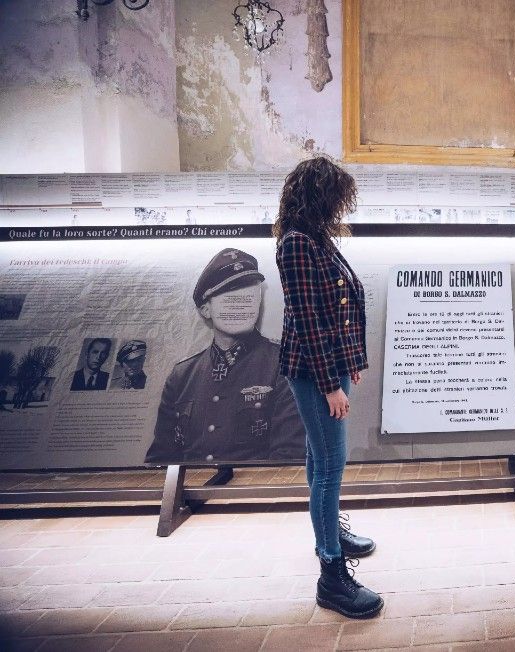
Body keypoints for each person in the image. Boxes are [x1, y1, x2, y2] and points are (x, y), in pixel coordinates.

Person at [274, 157, 381, 619]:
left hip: (330, 366)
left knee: (320, 458)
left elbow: (339, 306)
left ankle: (329, 531)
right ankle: (331, 576)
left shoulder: (315, 238)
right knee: (330, 463)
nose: (341, 205)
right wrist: (329, 386)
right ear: (318, 195)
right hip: (314, 370)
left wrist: (350, 364)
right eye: (336, 196)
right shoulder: (297, 244)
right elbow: (309, 322)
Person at [145, 248, 305, 464]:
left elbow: (289, 456)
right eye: (230, 298)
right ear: (206, 309)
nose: (241, 306)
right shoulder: (182, 376)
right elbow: (161, 459)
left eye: (249, 297)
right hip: (190, 485)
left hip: (255, 485)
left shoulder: (285, 363)